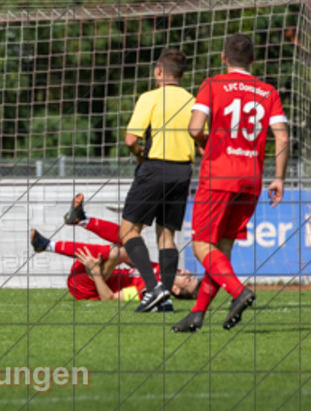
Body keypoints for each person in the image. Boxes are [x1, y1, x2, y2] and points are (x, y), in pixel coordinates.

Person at [174, 34, 288, 333]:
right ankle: (197, 314)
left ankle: (238, 291)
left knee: (201, 246)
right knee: (221, 249)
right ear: (253, 60)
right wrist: (278, 178)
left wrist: (204, 141)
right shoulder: (267, 91)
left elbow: (195, 127)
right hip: (251, 179)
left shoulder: (213, 85)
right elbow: (283, 137)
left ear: (224, 57)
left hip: (219, 175)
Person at [116, 48, 195, 313]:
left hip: (155, 168)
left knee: (128, 231)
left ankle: (153, 289)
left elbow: (130, 139)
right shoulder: (192, 101)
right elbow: (202, 138)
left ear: (159, 71)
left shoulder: (150, 97)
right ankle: (166, 297)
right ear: (181, 75)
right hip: (183, 171)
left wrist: (140, 156)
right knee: (166, 235)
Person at [30, 199, 199, 302]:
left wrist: (96, 273)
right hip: (89, 269)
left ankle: (48, 245)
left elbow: (109, 298)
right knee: (131, 242)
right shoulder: (157, 269)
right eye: (190, 274)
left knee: (123, 251)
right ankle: (82, 220)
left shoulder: (148, 291)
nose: (186, 271)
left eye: (188, 279)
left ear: (175, 290)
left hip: (85, 286)